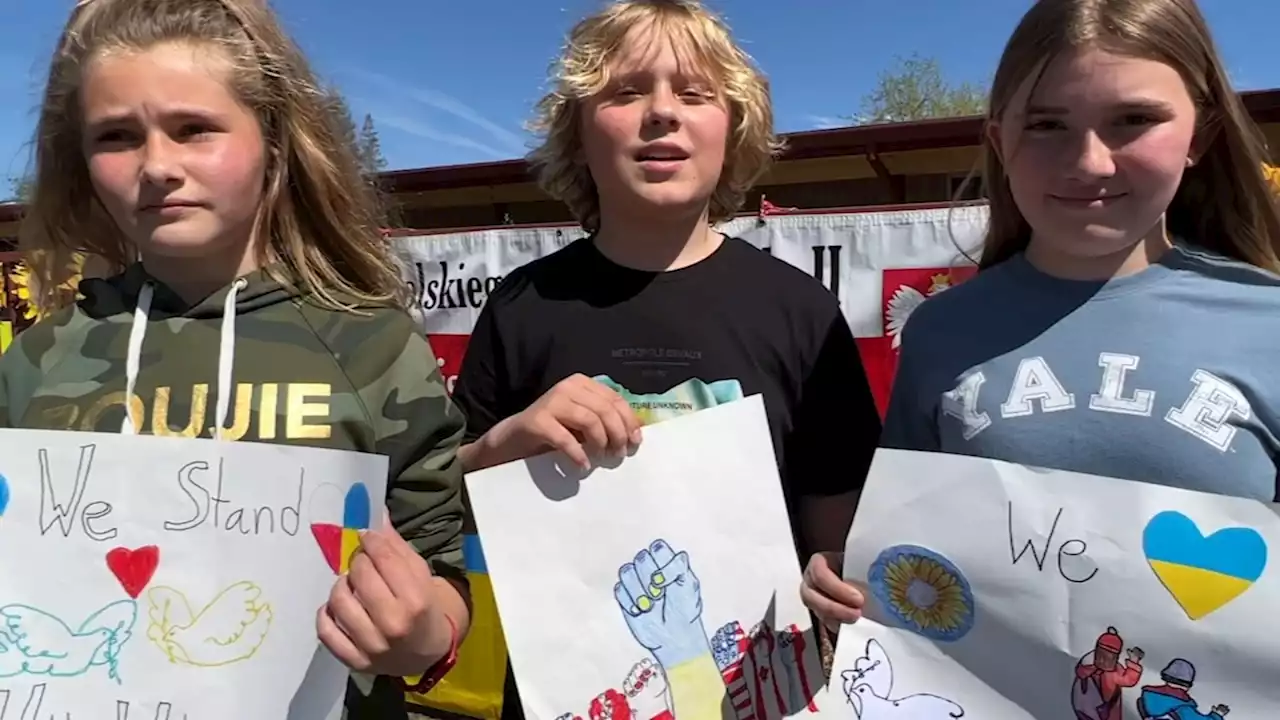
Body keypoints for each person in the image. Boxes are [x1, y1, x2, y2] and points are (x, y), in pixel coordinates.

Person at [4, 0, 470, 717]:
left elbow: (440, 569)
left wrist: (418, 633)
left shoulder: (371, 348)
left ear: (274, 143)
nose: (157, 166)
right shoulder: (37, 362)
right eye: (117, 136)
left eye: (194, 129)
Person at [451, 0, 880, 714]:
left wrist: (836, 581)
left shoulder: (801, 313)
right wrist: (502, 446)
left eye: (694, 93)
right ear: (580, 133)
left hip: (754, 691)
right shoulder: (524, 303)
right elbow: (440, 507)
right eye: (625, 92)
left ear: (732, 129)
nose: (662, 113)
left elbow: (836, 544)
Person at [800, 0, 1280, 629]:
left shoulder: (1266, 323)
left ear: (1201, 137)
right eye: (1047, 124)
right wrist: (850, 578)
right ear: (1000, 143)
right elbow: (912, 550)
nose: (1088, 162)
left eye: (1133, 119)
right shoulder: (942, 332)